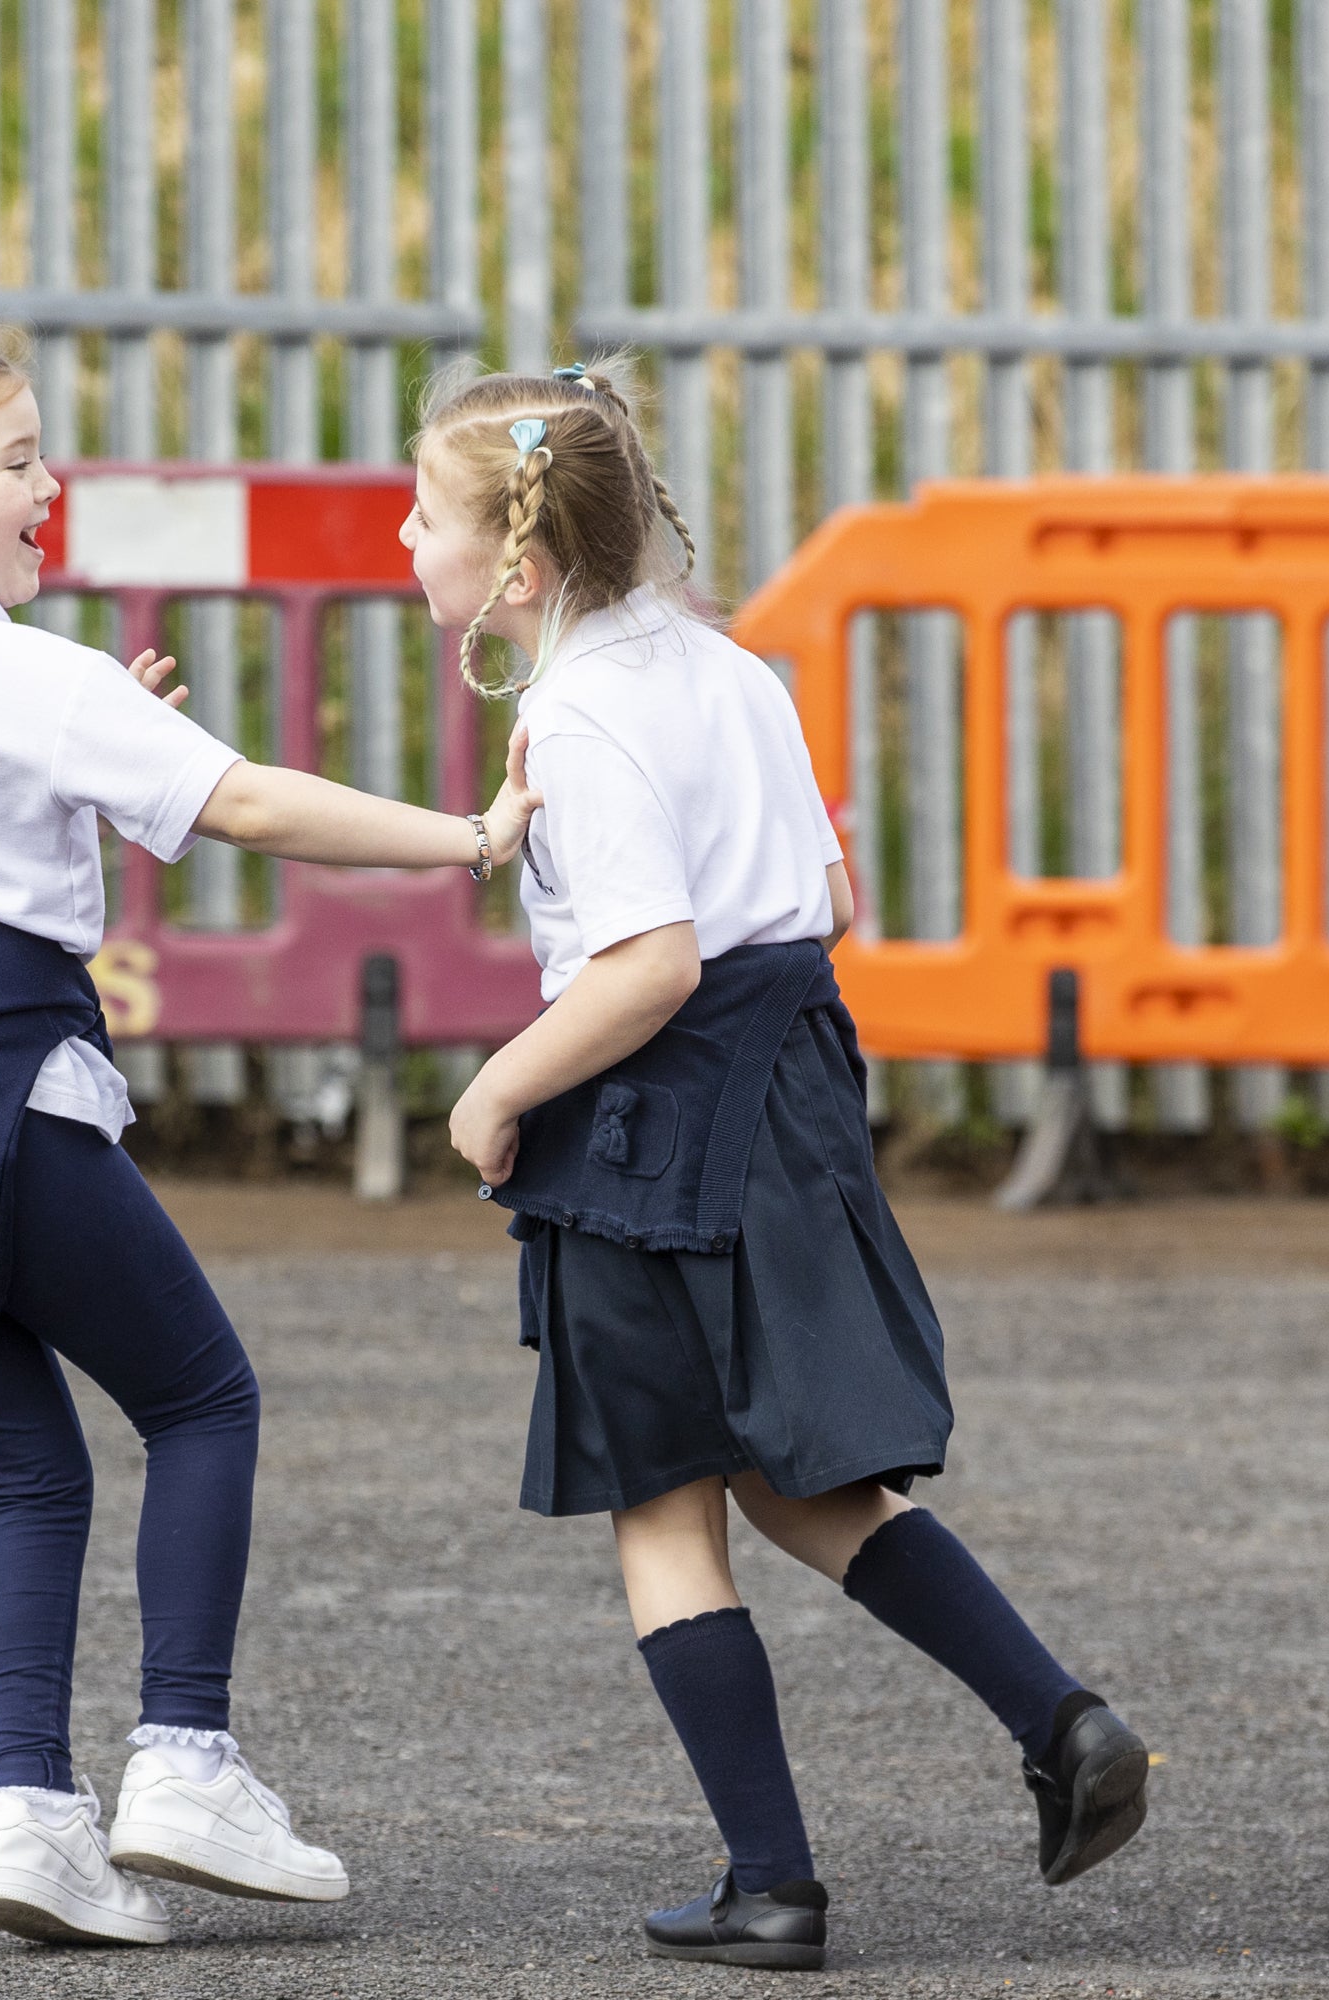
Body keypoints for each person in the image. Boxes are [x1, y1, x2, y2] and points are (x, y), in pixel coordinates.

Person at [0, 321, 540, 1947]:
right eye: (20, 461)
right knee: (202, 1400)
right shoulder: (28, 674)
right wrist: (472, 837)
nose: (53, 484)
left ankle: (34, 1813)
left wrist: (108, 727)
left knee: (29, 1475)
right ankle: (184, 1758)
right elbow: (246, 803)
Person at [407, 360, 1151, 1972]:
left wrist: (492, 1096)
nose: (407, 536)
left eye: (426, 513)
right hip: (789, 1095)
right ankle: (1065, 1722)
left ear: (516, 569)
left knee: (663, 1506)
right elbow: (828, 897)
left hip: (650, 1118)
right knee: (798, 1476)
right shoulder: (732, 669)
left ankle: (772, 1884)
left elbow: (648, 964)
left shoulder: (579, 707)